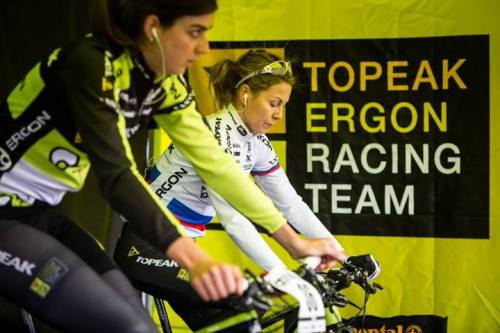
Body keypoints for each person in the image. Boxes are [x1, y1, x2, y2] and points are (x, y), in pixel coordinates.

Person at [0, 1, 335, 332]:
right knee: (126, 326)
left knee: (137, 320)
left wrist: (296, 243)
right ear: (153, 29)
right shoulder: (90, 65)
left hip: (41, 213)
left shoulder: (164, 84)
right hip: (5, 215)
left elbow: (218, 166)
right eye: (195, 32)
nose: (204, 47)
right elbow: (117, 176)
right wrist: (196, 260)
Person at [114, 49, 350, 331]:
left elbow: (291, 204)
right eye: (274, 103)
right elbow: (234, 220)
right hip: (144, 250)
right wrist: (279, 272)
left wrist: (341, 256)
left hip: (180, 251)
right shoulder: (217, 135)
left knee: (237, 324)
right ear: (245, 94)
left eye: (283, 106)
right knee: (242, 303)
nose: (278, 115)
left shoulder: (256, 143)